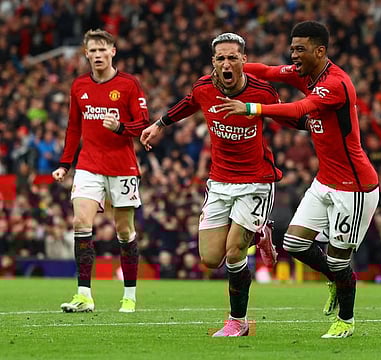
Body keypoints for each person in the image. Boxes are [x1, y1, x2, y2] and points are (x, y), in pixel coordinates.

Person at [216, 21, 380, 338]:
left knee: (338, 258)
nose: (294, 56)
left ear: (320, 51)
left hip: (355, 187)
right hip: (325, 181)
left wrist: (252, 107)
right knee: (293, 243)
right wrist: (234, 62)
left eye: (300, 49)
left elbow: (301, 108)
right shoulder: (303, 73)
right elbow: (268, 71)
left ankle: (345, 321)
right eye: (292, 49)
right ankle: (335, 278)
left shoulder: (336, 84)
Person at [141, 33, 299, 337]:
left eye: (232, 57)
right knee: (211, 259)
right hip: (219, 181)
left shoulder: (262, 91)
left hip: (255, 181)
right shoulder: (204, 88)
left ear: (243, 60)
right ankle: (259, 232)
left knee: (234, 252)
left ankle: (237, 321)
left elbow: (287, 116)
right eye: (220, 58)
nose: (226, 63)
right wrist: (158, 124)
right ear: (214, 62)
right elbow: (188, 104)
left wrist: (315, 114)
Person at [52, 29, 150, 313]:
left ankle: (129, 295)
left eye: (102, 50)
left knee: (124, 230)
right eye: (92, 51)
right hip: (89, 165)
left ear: (113, 52)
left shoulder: (129, 84)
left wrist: (120, 127)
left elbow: (143, 123)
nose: (97, 55)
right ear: (86, 54)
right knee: (81, 223)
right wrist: (64, 164)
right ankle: (84, 295)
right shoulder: (79, 86)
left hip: (122, 166)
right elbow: (73, 127)